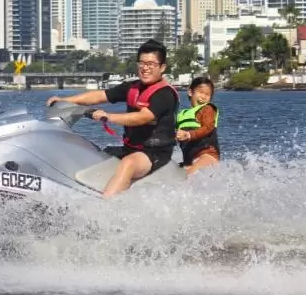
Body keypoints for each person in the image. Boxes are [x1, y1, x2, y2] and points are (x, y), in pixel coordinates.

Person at [46, 39, 178, 198]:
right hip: (131, 148)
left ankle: (106, 209)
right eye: (142, 63)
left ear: (162, 67)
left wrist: (109, 117)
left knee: (128, 164)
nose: (145, 68)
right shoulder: (132, 87)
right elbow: (100, 95)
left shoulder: (165, 94)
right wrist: (67, 101)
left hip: (155, 153)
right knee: (94, 155)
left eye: (151, 64)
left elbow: (143, 117)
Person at [175, 76, 220, 174]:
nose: (203, 97)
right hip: (189, 160)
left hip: (207, 155)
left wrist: (188, 135)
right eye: (200, 92)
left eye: (207, 94)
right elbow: (173, 134)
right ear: (190, 92)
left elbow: (208, 127)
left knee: (190, 175)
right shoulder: (181, 115)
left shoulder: (208, 109)